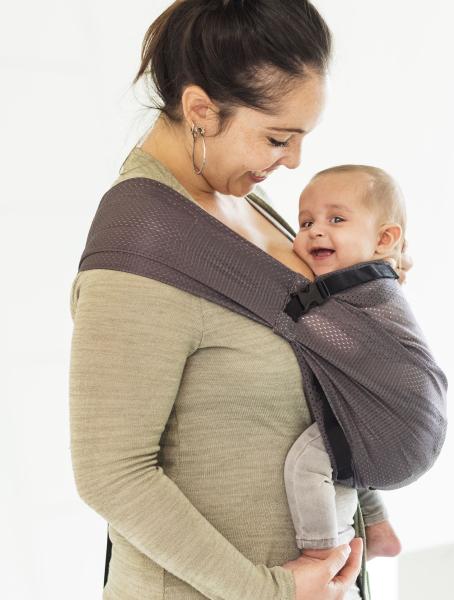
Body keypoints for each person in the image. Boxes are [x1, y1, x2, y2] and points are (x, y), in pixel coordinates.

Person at [68, 2, 416, 600]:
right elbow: (111, 473)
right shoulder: (143, 244)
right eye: (278, 138)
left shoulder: (249, 206)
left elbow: (316, 379)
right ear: (201, 111)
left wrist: (375, 294)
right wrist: (270, 590)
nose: (294, 160)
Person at [283, 165, 407, 574]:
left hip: (390, 415)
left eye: (336, 219)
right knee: (345, 451)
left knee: (308, 463)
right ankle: (378, 527)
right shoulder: (365, 285)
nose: (316, 231)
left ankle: (324, 558)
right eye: (306, 222)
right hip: (373, 412)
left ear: (383, 239)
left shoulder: (364, 288)